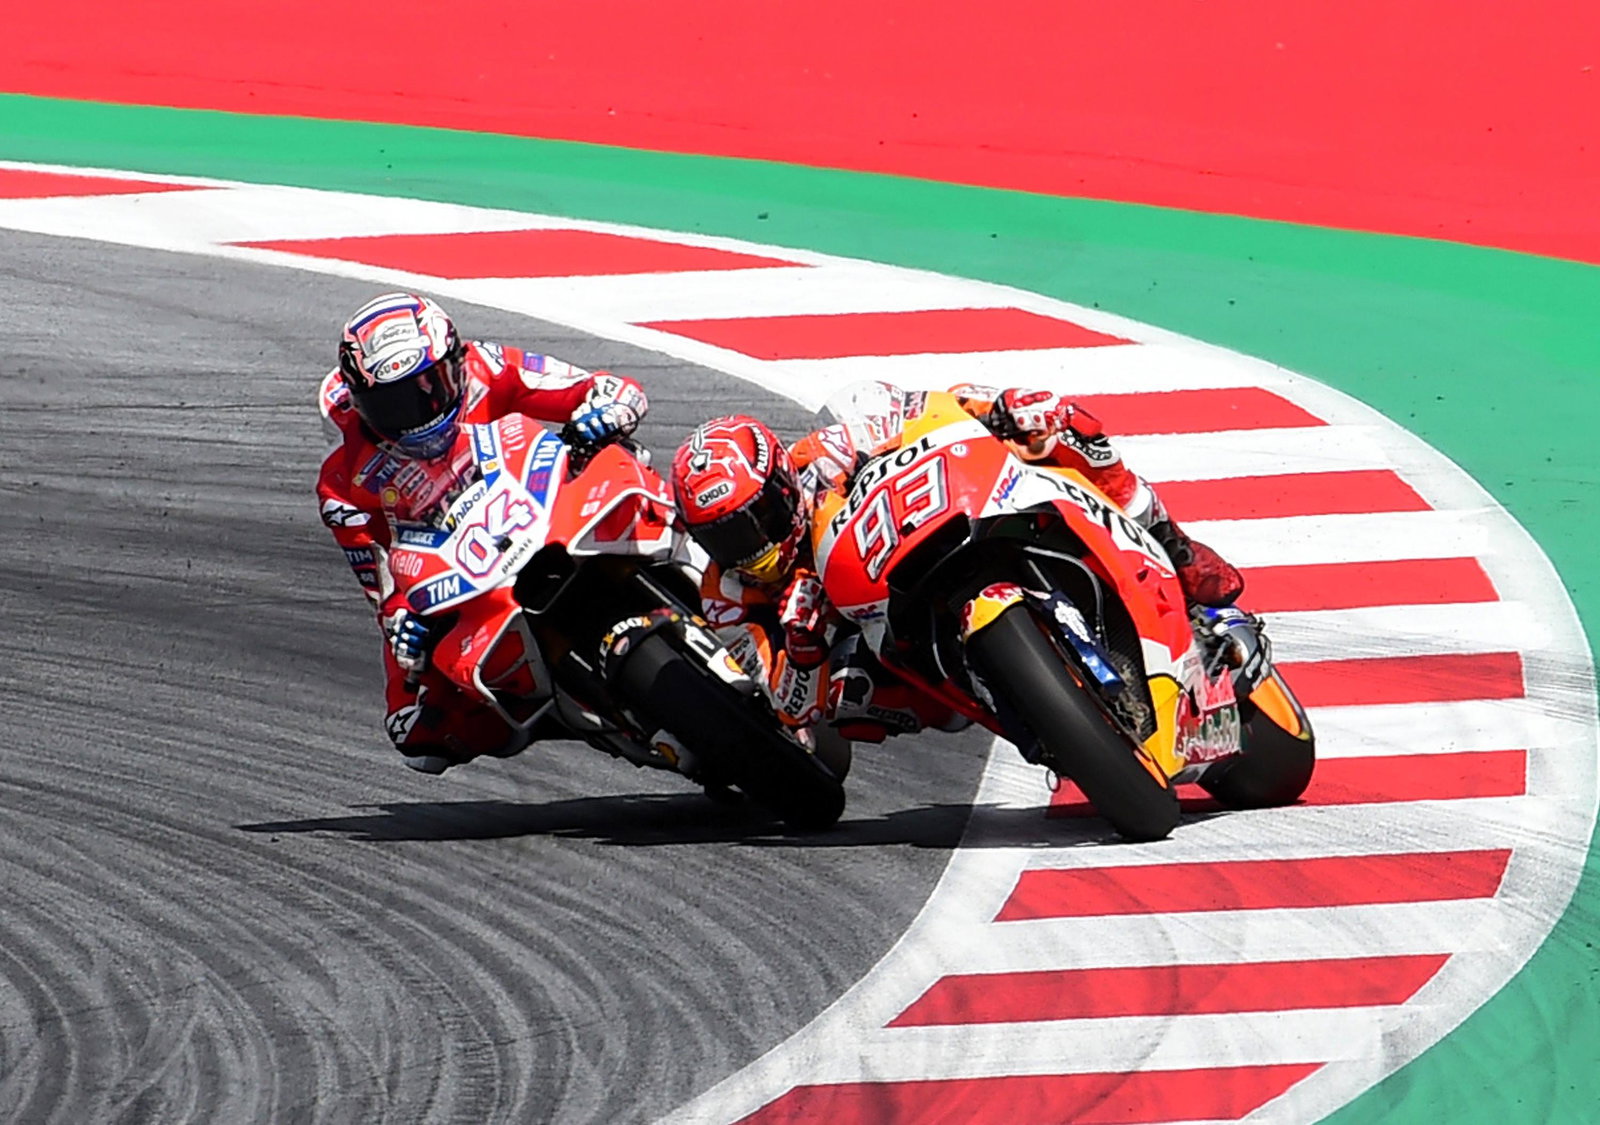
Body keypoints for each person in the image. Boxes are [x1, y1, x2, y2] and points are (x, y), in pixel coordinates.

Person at [669, 384, 1242, 743]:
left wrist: (999, 409)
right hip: (880, 641)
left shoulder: (825, 453)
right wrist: (801, 646)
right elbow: (790, 708)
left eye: (755, 519)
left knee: (1066, 431)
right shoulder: (723, 595)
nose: (748, 548)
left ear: (780, 484)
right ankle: (1031, 711)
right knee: (852, 694)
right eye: (723, 539)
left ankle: (1175, 550)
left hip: (932, 531)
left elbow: (931, 410)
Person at [317, 291, 648, 774]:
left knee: (650, 467)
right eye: (391, 404)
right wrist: (403, 623)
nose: (418, 412)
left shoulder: (487, 367)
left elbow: (599, 387)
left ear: (456, 361)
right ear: (359, 403)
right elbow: (382, 586)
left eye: (430, 387)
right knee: (416, 733)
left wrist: (608, 410)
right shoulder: (343, 483)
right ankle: (546, 711)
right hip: (464, 573)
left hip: (552, 504)